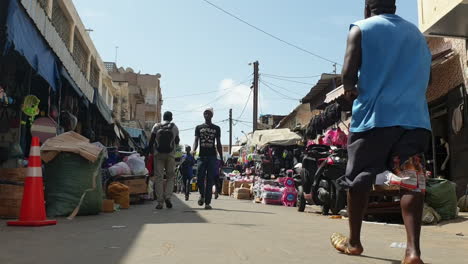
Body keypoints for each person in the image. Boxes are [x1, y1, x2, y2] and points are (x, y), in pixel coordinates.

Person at [330, 1, 432, 264]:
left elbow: (348, 77)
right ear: (395, 6)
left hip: (374, 119)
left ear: (367, 7)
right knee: (411, 180)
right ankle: (412, 252)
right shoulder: (417, 35)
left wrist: (350, 95)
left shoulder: (361, 29)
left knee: (359, 179)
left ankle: (354, 242)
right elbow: (426, 79)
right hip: (414, 118)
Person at [192, 108, 223, 210]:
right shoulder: (198, 127)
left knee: (210, 180)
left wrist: (221, 157)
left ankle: (207, 203)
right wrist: (193, 150)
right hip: (201, 156)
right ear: (203, 115)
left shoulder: (216, 128)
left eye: (209, 113)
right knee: (199, 178)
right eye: (205, 113)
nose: (206, 114)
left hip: (212, 157)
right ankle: (202, 194)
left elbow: (218, 143)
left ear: (212, 115)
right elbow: (196, 140)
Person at [148, 111, 180, 210]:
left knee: (159, 177)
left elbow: (151, 141)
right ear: (171, 118)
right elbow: (177, 141)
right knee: (170, 176)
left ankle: (160, 202)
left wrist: (151, 152)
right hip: (170, 155)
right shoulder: (174, 127)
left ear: (163, 117)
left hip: (158, 155)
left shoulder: (156, 126)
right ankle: (168, 197)